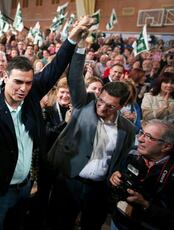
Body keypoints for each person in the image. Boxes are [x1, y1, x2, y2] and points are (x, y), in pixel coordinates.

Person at [0, 16, 94, 230]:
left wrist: (72, 38)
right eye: (18, 82)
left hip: (25, 187)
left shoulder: (31, 96)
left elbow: (55, 67)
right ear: (5, 78)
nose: (23, 88)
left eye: (28, 83)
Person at [47, 41, 136, 230]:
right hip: (70, 181)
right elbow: (74, 78)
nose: (102, 108)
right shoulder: (85, 104)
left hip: (99, 190)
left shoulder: (127, 129)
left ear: (121, 106)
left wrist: (117, 174)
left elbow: (121, 159)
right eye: (101, 101)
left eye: (110, 106)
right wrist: (79, 48)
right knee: (59, 224)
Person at [109, 119, 174, 230]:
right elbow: (116, 175)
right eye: (141, 133)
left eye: (148, 137)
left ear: (166, 147)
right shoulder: (132, 153)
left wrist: (145, 204)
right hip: (118, 222)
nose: (139, 139)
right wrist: (113, 178)